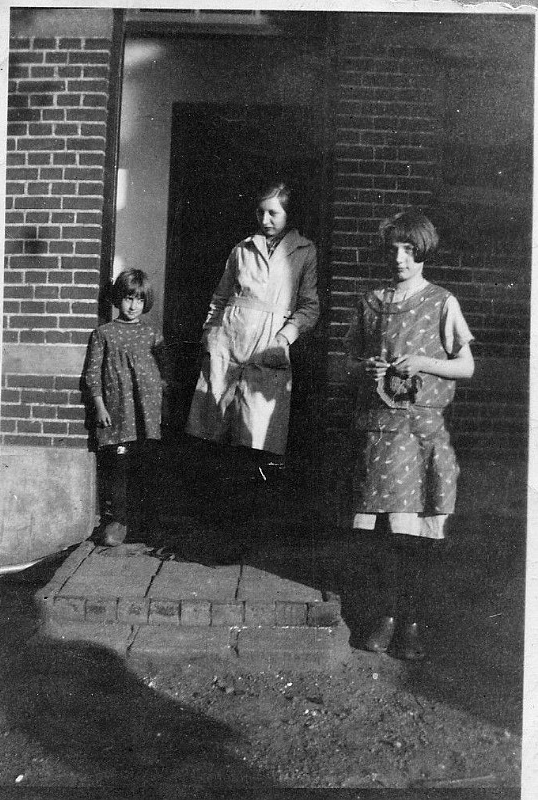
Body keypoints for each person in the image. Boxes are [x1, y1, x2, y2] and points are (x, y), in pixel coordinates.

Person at [344, 210, 474, 660]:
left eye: (409, 250)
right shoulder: (369, 303)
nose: (400, 259)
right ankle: (384, 616)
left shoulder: (441, 302)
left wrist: (422, 362)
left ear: (423, 253)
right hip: (380, 433)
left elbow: (466, 365)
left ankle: (411, 621)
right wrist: (365, 368)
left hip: (421, 435)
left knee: (417, 532)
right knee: (382, 532)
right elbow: (348, 361)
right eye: (393, 250)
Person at [186, 180, 320, 462]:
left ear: (289, 214)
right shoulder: (242, 249)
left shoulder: (304, 251)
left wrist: (284, 338)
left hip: (268, 345)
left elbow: (310, 307)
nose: (265, 220)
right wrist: (210, 333)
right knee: (213, 429)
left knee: (256, 436)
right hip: (228, 340)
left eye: (273, 213)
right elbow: (220, 297)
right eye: (261, 212)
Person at [85, 269, 167, 546]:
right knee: (118, 467)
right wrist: (100, 406)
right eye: (128, 298)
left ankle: (145, 522)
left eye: (139, 300)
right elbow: (93, 374)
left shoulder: (151, 334)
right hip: (119, 412)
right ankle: (118, 520)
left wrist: (160, 403)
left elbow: (164, 372)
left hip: (146, 412)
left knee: (145, 467)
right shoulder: (103, 334)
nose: (133, 306)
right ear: (118, 299)